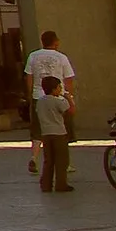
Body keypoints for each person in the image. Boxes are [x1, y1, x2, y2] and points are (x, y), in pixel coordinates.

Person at [23, 32, 74, 178]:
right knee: (62, 130)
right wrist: (70, 96)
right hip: (59, 96)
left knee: (38, 129)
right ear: (56, 42)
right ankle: (65, 163)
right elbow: (68, 79)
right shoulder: (62, 57)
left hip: (39, 96)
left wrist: (30, 94)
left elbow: (29, 77)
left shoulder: (33, 56)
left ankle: (34, 158)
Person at [35, 76, 74, 193]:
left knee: (48, 160)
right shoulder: (58, 101)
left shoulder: (40, 101)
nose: (60, 89)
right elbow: (70, 111)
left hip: (46, 133)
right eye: (59, 87)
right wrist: (68, 99)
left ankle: (46, 185)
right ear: (53, 89)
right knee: (61, 160)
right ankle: (61, 184)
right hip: (59, 133)